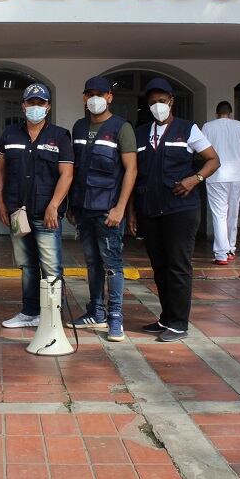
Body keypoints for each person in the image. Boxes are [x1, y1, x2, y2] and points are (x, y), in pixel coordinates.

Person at [128, 78, 220, 342]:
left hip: (181, 209)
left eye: (162, 100)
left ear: (171, 101)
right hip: (151, 209)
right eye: (152, 101)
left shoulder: (187, 130)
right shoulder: (140, 133)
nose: (157, 105)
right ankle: (166, 318)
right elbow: (135, 176)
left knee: (178, 266)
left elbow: (213, 160)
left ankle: (179, 323)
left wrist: (195, 179)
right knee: (159, 266)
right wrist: (133, 212)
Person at [0, 83, 74, 329]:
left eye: (40, 103)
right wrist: (0, 203)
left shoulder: (60, 136)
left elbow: (67, 174)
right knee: (27, 265)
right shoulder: (10, 134)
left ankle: (52, 315)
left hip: (46, 214)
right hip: (18, 212)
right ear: (23, 105)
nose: (35, 107)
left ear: (48, 107)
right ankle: (29, 312)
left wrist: (54, 205)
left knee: (51, 266)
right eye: (31, 103)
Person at [67, 76, 137, 342]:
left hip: (109, 210)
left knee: (112, 265)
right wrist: (73, 205)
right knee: (92, 262)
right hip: (84, 209)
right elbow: (75, 169)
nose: (95, 98)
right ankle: (95, 312)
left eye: (100, 93)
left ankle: (115, 316)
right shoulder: (79, 126)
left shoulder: (121, 128)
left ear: (110, 97)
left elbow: (131, 170)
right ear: (84, 98)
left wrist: (120, 208)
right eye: (90, 93)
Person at [201, 101, 240, 265]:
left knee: (219, 214)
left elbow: (200, 148)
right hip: (237, 175)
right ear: (231, 113)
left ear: (216, 113)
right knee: (233, 213)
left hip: (216, 174)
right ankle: (230, 249)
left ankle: (220, 254)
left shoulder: (208, 126)